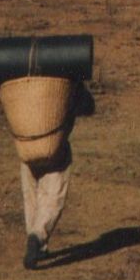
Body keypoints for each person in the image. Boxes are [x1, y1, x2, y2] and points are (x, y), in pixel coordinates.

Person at [20, 78, 84, 269]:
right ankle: (38, 236)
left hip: (26, 143)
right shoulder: (64, 74)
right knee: (53, 193)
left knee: (31, 193)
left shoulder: (21, 74)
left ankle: (37, 241)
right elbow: (88, 106)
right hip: (54, 143)